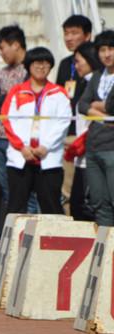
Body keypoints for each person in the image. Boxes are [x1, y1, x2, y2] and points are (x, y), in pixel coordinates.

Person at [2, 47, 71, 216]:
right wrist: (21, 147)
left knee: (51, 207)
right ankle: (14, 235)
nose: (41, 67)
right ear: (28, 66)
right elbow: (7, 120)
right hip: (20, 158)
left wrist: (46, 146)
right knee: (16, 207)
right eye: (37, 63)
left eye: (46, 63)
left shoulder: (59, 93)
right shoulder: (17, 91)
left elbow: (63, 122)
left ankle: (54, 235)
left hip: (48, 159)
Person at [0, 25, 27, 239]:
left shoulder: (29, 71)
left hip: (19, 142)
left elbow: (24, 103)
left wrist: (5, 99)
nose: (1, 53)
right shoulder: (2, 73)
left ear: (16, 45)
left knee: (19, 190)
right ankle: (5, 235)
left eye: (2, 48)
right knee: (3, 190)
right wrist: (8, 99)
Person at [56, 15, 93, 214]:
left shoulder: (97, 70)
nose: (69, 38)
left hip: (89, 136)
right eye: (66, 33)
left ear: (87, 35)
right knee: (67, 190)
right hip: (68, 133)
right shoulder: (65, 64)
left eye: (74, 33)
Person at [78, 30, 114, 227]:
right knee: (99, 201)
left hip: (112, 147)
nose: (107, 54)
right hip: (94, 146)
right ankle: (106, 241)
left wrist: (99, 106)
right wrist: (104, 116)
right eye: (102, 50)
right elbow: (82, 105)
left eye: (111, 49)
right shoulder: (97, 76)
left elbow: (111, 106)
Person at [66, 42, 101, 222]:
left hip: (94, 150)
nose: (76, 66)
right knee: (77, 203)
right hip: (82, 152)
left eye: (78, 61)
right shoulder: (85, 83)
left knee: (87, 204)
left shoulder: (99, 84)